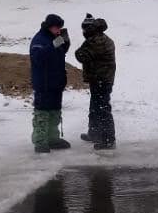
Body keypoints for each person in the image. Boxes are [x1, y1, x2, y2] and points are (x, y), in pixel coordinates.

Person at [29, 13, 72, 153]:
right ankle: (40, 141)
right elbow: (38, 58)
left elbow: (58, 55)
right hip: (44, 83)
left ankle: (53, 139)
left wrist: (65, 43)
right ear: (49, 27)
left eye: (60, 28)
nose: (58, 30)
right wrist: (53, 45)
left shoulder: (55, 38)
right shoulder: (39, 39)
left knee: (54, 112)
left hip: (56, 83)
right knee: (42, 113)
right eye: (56, 28)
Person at [74, 13, 116, 150]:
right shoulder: (96, 38)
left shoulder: (97, 41)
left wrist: (70, 45)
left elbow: (82, 55)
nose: (83, 32)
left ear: (90, 29)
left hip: (102, 79)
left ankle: (108, 140)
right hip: (99, 78)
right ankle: (94, 133)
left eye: (85, 29)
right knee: (95, 107)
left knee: (102, 109)